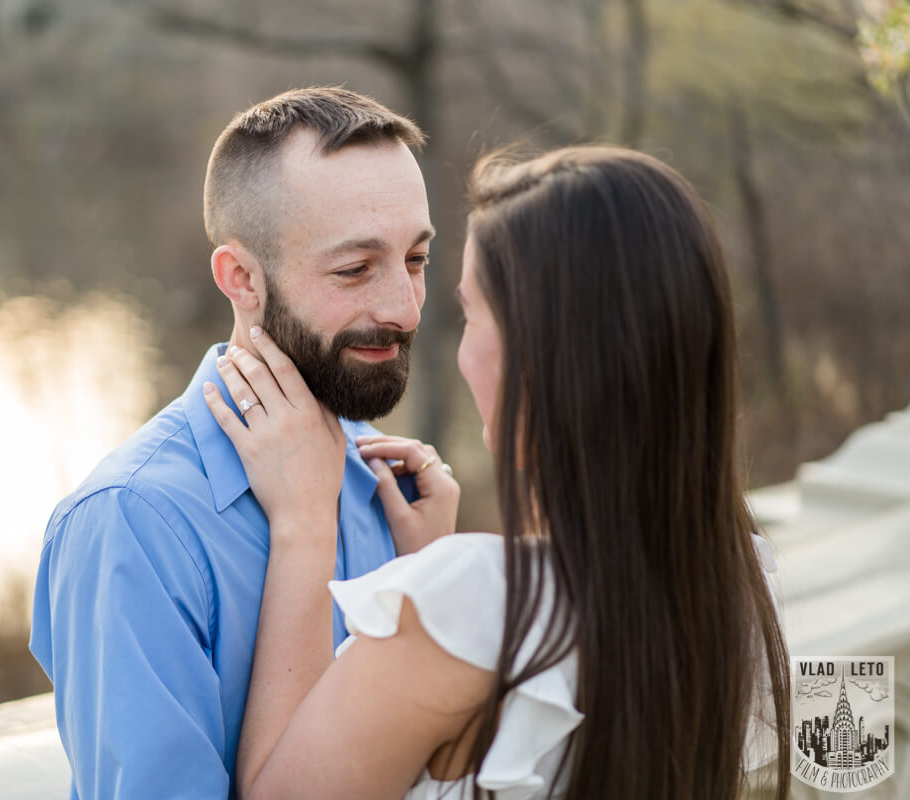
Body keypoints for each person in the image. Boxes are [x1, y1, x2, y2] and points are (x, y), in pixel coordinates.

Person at [206, 145, 792, 799]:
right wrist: (427, 563)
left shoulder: (470, 605)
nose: (408, 315)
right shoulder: (739, 587)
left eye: (470, 314)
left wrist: (304, 522)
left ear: (540, 357)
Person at [29, 87, 460, 799]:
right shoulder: (130, 525)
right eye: (355, 269)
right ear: (242, 280)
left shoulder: (396, 493)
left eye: (415, 259)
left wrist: (428, 577)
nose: (404, 308)